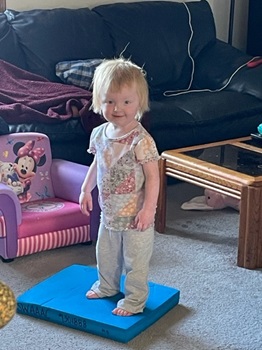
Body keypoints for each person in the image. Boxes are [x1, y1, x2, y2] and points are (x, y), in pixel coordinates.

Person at [79, 57, 160, 317]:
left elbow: (153, 177)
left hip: (136, 218)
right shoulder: (99, 133)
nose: (118, 108)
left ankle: (134, 300)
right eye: (110, 101)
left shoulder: (141, 140)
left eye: (126, 101)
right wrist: (84, 189)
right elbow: (96, 163)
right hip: (109, 213)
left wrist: (149, 209)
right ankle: (107, 286)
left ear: (139, 103)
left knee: (135, 262)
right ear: (98, 101)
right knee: (106, 254)